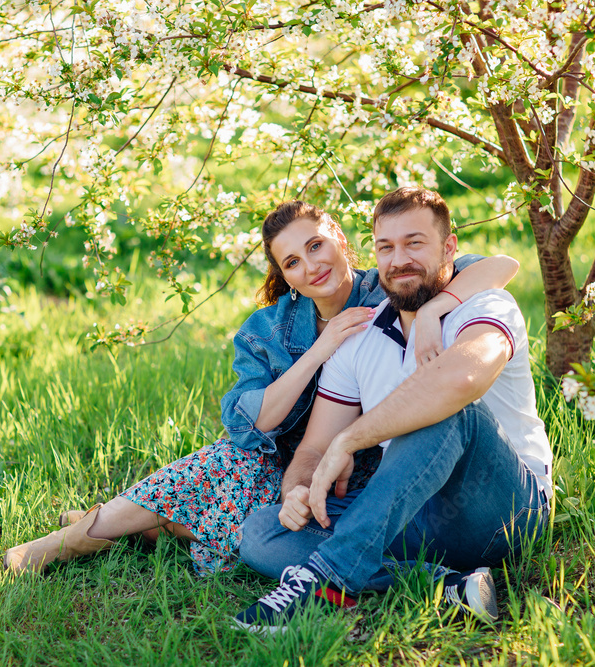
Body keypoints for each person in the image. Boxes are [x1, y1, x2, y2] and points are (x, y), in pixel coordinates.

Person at [3, 199, 520, 576]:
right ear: (284, 275)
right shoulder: (270, 329)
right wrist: (320, 350)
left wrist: (435, 309)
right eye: (292, 262)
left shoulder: (389, 285)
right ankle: (88, 535)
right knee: (233, 475)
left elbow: (497, 266)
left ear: (341, 240)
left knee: (233, 508)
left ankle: (130, 527)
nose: (311, 266)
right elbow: (251, 424)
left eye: (316, 246)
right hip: (292, 456)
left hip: (370, 461)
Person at [233, 187, 553, 634]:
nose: (399, 260)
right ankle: (442, 585)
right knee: (262, 533)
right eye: (386, 247)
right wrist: (300, 491)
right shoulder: (360, 334)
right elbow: (314, 448)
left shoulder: (486, 304)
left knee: (447, 409)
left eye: (414, 243)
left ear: (449, 248)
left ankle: (328, 579)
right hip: (411, 513)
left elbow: (460, 383)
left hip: (502, 509)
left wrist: (351, 439)